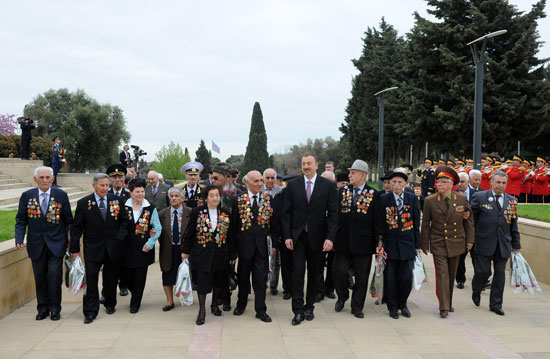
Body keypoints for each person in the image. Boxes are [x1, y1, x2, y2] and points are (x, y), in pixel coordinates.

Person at [282, 154, 338, 326]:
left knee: (315, 274)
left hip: (318, 238)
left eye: (309, 163)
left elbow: (334, 214)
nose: (305, 166)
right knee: (297, 272)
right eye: (303, 163)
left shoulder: (328, 186)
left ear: (316, 165)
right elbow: (286, 214)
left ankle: (309, 307)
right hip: (298, 238)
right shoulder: (293, 186)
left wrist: (330, 238)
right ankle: (297, 311)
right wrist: (288, 236)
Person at [15, 166, 73, 321]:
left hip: (56, 244)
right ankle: (42, 309)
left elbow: (68, 220)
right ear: (35, 179)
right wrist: (19, 238)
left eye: (48, 177)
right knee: (39, 277)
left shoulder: (61, 195)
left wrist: (69, 241)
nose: (45, 180)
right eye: (41, 178)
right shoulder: (27, 196)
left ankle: (55, 309)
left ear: (52, 178)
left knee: (54, 276)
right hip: (36, 244)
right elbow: (21, 219)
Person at [70, 173, 128, 324]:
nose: (104, 188)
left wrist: (119, 239)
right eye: (101, 185)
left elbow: (124, 222)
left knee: (111, 278)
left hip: (112, 247)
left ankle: (110, 303)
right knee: (91, 280)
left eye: (106, 185)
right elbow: (76, 228)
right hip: (92, 248)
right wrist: (75, 249)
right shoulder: (84, 203)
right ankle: (90, 311)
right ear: (94, 186)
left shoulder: (117, 200)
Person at [421, 167, 474, 318]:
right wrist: (424, 244)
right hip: (438, 241)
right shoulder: (430, 201)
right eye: (439, 181)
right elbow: (425, 224)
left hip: (457, 241)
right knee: (442, 274)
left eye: (444, 182)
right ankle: (443, 307)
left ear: (452, 184)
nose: (440, 184)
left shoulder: (461, 199)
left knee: (451, 274)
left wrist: (470, 241)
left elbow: (469, 222)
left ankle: (448, 302)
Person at [182, 185, 235, 325]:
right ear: (206, 198)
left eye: (217, 195)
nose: (215, 198)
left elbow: (230, 237)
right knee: (203, 283)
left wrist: (232, 255)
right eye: (212, 195)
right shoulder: (197, 212)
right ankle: (202, 311)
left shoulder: (225, 213)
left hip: (220, 254)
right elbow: (190, 233)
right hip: (202, 254)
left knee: (218, 281)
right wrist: (185, 251)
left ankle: (214, 305)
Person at [471, 171, 521, 316]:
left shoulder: (512, 200)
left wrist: (516, 244)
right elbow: (470, 219)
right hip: (484, 241)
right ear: (491, 183)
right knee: (483, 272)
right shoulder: (480, 197)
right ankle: (476, 289)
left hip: (503, 243)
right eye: (498, 182)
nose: (500, 186)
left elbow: (513, 225)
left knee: (499, 275)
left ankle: (496, 304)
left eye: (503, 183)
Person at [333, 160, 378, 318]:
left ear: (363, 175)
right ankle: (342, 296)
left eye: (353, 173)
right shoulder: (342, 191)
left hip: (363, 242)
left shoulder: (373, 194)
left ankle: (357, 306)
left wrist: (379, 243)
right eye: (350, 172)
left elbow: (376, 220)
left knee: (361, 276)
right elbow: (336, 215)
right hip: (343, 240)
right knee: (339, 271)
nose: (350, 175)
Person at [376, 171, 421, 319]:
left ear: (405, 184)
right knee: (391, 278)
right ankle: (393, 307)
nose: (396, 185)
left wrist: (417, 244)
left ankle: (403, 304)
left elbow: (416, 222)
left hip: (407, 244)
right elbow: (379, 224)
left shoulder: (412, 198)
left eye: (399, 182)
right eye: (393, 182)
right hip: (390, 245)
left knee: (406, 278)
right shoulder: (383, 199)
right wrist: (380, 246)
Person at [233, 171, 276, 322]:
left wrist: (275, 245)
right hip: (244, 248)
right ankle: (241, 304)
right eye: (256, 181)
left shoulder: (268, 199)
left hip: (261, 248)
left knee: (260, 280)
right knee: (243, 279)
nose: (260, 184)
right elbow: (233, 226)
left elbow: (274, 225)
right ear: (247, 183)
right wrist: (233, 251)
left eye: (261, 181)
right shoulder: (238, 200)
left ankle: (261, 310)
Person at [121, 178, 162, 313]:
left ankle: (135, 303)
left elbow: (158, 227)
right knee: (126, 277)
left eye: (142, 191)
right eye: (137, 191)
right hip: (126, 248)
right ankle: (135, 294)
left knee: (140, 277)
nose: (140, 194)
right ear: (131, 192)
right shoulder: (123, 206)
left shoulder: (150, 208)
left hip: (143, 247)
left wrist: (150, 243)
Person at [211, 162, 242, 311]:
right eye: (212, 178)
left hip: (231, 240)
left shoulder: (238, 194)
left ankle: (227, 297)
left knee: (229, 269)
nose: (213, 181)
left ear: (226, 178)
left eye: (216, 178)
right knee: (216, 269)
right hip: (213, 239)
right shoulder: (210, 193)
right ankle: (217, 297)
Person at [158, 187, 191, 311]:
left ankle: (186, 297)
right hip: (168, 249)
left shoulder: (190, 212)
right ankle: (169, 302)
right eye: (171, 196)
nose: (174, 198)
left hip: (185, 249)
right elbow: (159, 233)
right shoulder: (162, 214)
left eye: (177, 196)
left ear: (182, 198)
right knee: (167, 274)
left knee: (186, 274)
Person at [262, 168, 283, 295]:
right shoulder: (259, 191)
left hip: (277, 230)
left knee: (276, 260)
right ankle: (262, 283)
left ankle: (274, 285)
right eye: (267, 178)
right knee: (262, 259)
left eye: (272, 178)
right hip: (263, 230)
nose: (270, 180)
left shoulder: (281, 192)